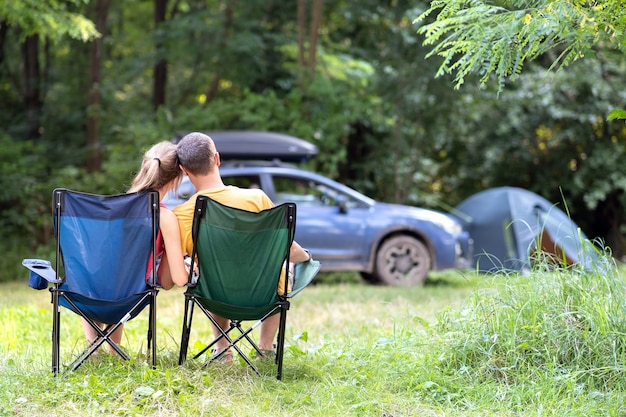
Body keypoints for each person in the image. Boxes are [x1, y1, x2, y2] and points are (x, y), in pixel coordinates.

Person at [173, 132, 313, 362]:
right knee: (282, 269)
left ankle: (223, 349)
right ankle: (265, 349)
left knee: (210, 269)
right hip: (262, 296)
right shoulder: (256, 199)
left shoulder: (182, 215)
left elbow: (180, 262)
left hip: (214, 295)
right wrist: (307, 257)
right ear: (217, 159)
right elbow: (288, 250)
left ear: (184, 170)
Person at [82, 141, 189, 354]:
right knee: (125, 283)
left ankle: (93, 348)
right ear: (177, 178)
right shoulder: (164, 217)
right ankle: (111, 350)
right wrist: (185, 262)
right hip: (127, 297)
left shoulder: (115, 208)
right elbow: (172, 281)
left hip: (86, 291)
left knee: (111, 275)